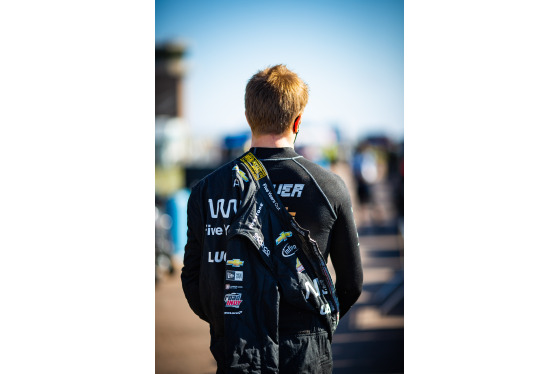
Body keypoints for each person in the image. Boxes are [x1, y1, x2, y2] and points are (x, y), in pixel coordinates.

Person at [181, 64, 363, 373]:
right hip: (306, 346)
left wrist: (232, 321)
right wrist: (316, 323)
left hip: (236, 346)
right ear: (298, 121)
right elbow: (352, 284)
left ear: (249, 117)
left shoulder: (207, 189)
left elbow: (193, 278)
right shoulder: (329, 186)